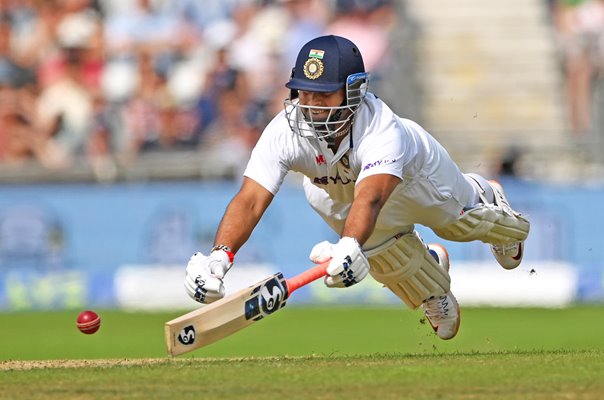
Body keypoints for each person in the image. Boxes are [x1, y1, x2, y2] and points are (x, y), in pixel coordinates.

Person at [184, 35, 530, 340]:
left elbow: (373, 196)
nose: (312, 105)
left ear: (353, 90)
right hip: (341, 191)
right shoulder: (284, 130)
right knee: (381, 254)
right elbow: (250, 200)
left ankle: (490, 200)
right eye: (304, 91)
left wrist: (348, 246)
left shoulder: (382, 129)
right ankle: (431, 288)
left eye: (324, 94)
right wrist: (220, 256)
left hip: (416, 180)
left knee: (459, 226)